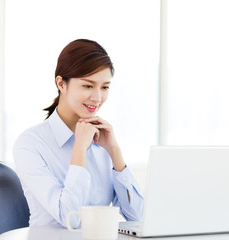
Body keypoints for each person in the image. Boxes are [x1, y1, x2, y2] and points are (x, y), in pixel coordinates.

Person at [13, 39, 144, 228]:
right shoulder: (30, 144)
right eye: (88, 86)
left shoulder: (102, 142)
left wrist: (115, 152)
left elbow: (138, 217)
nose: (97, 98)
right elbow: (72, 220)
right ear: (61, 83)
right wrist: (79, 150)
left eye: (105, 87)